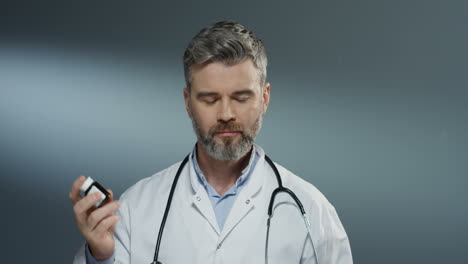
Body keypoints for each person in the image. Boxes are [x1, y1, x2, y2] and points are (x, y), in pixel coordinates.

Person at [70, 21, 353, 264]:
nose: (226, 115)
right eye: (210, 99)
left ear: (265, 98)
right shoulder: (135, 209)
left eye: (241, 98)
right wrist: (102, 257)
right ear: (188, 102)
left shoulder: (310, 210)